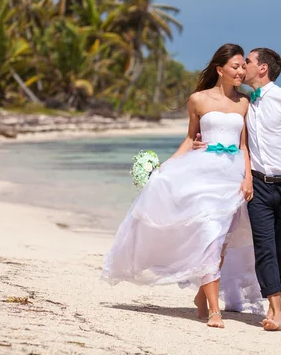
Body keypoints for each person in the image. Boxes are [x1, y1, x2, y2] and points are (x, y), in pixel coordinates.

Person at [101, 43, 264, 329]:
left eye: (242, 66)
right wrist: (165, 168)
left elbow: (244, 146)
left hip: (232, 176)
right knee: (208, 234)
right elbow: (190, 139)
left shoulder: (244, 103)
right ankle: (215, 311)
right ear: (220, 69)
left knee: (221, 242)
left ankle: (202, 297)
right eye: (235, 67)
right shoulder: (198, 100)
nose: (240, 71)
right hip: (202, 173)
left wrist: (248, 177)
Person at [194, 48, 281, 331]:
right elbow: (227, 133)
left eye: (248, 63)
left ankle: (275, 303)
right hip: (258, 186)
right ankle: (275, 311)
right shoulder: (243, 102)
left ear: (262, 68)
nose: (242, 69)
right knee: (264, 247)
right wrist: (199, 143)